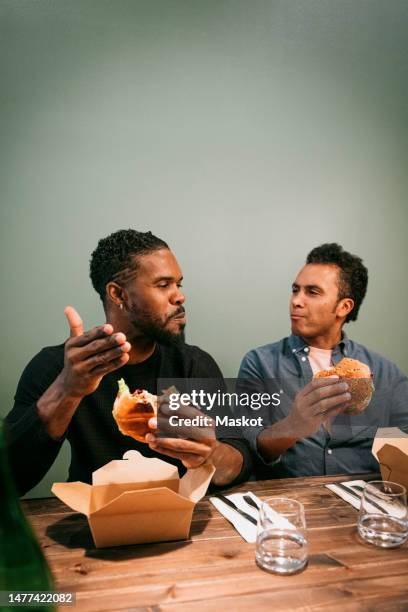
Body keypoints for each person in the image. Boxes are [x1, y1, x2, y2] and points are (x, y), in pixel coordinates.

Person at [6, 229, 249, 495]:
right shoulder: (61, 368)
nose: (179, 296)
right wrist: (67, 389)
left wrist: (209, 454)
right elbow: (11, 481)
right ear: (118, 294)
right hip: (93, 520)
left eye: (179, 284)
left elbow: (239, 462)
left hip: (179, 517)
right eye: (163, 284)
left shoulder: (193, 365)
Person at [237, 243, 408, 478]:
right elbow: (247, 446)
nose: (296, 301)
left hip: (364, 499)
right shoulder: (259, 363)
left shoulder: (384, 371)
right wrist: (293, 426)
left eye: (312, 292)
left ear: (344, 307)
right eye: (295, 290)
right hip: (290, 501)